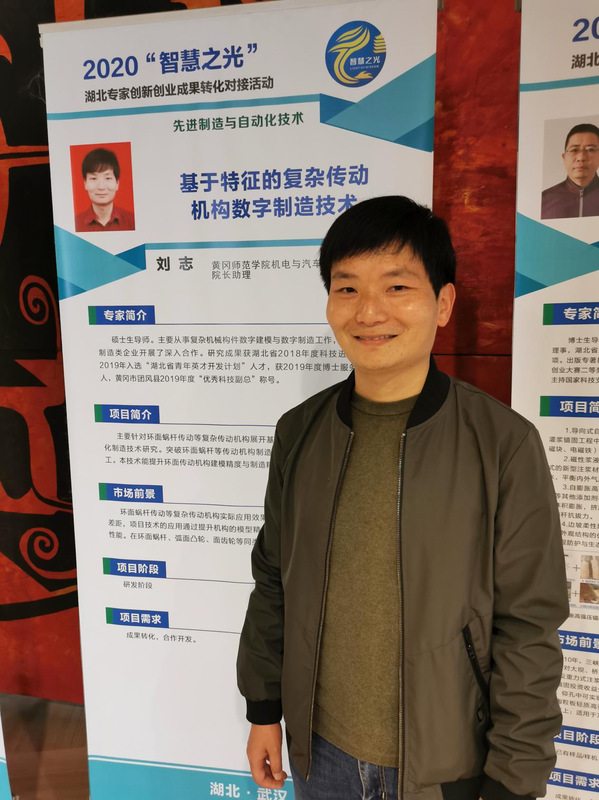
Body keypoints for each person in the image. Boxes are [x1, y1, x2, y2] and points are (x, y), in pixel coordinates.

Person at [237, 196, 568, 800]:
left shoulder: (503, 444)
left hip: (447, 767)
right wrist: (263, 708)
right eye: (347, 288)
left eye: (396, 287)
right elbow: (273, 580)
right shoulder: (300, 432)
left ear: (443, 303)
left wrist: (514, 779)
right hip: (320, 757)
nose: (369, 312)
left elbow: (529, 626)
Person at [541, 123, 599, 219]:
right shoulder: (544, 200)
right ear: (564, 157)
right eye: (574, 150)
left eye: (590, 150)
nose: (581, 158)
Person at [74, 147, 135, 232]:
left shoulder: (132, 221)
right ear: (85, 183)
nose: (101, 187)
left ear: (117, 183)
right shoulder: (74, 224)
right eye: (94, 178)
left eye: (108, 178)